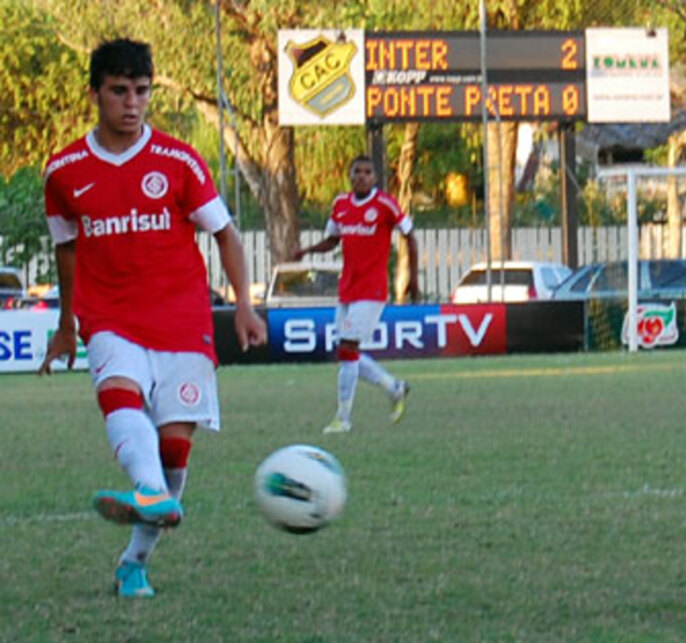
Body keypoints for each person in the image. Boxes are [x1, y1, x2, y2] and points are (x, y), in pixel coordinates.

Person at [39, 38, 267, 598]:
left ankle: (134, 561)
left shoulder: (178, 160)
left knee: (175, 450)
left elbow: (225, 234)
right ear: (95, 93)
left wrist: (242, 303)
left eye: (141, 91)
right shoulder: (64, 171)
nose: (132, 103)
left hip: (182, 319)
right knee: (119, 394)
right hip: (108, 315)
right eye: (119, 91)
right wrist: (68, 323)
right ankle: (145, 487)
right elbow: (66, 250)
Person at [292, 155, 419, 433]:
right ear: (350, 176)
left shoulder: (384, 204)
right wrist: (308, 251)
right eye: (357, 172)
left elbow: (410, 234)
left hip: (372, 290)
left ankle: (343, 418)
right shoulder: (341, 204)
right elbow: (332, 240)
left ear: (374, 178)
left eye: (367, 172)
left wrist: (413, 277)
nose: (362, 176)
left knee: (348, 349)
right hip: (347, 288)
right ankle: (393, 387)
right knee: (346, 353)